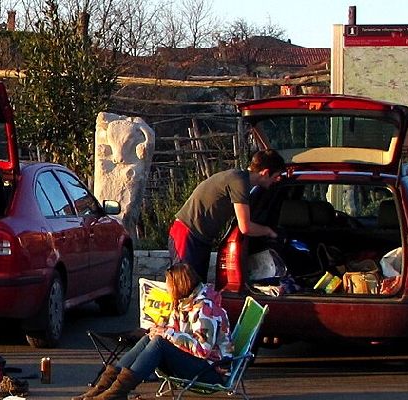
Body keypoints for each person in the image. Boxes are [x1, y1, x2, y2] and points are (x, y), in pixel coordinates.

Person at [73, 264, 230, 400]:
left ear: (179, 286)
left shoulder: (205, 309)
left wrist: (167, 334)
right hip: (195, 363)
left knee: (160, 343)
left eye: (169, 285)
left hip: (211, 371)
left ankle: (116, 393)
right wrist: (160, 330)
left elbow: (202, 349)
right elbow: (175, 331)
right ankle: (103, 389)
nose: (167, 289)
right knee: (150, 339)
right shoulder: (184, 303)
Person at [166, 149, 285, 282]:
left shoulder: (242, 180)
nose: (277, 180)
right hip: (187, 234)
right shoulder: (239, 182)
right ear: (266, 172)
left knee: (197, 288)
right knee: (185, 286)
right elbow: (245, 227)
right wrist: (269, 231)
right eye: (276, 176)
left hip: (201, 238)